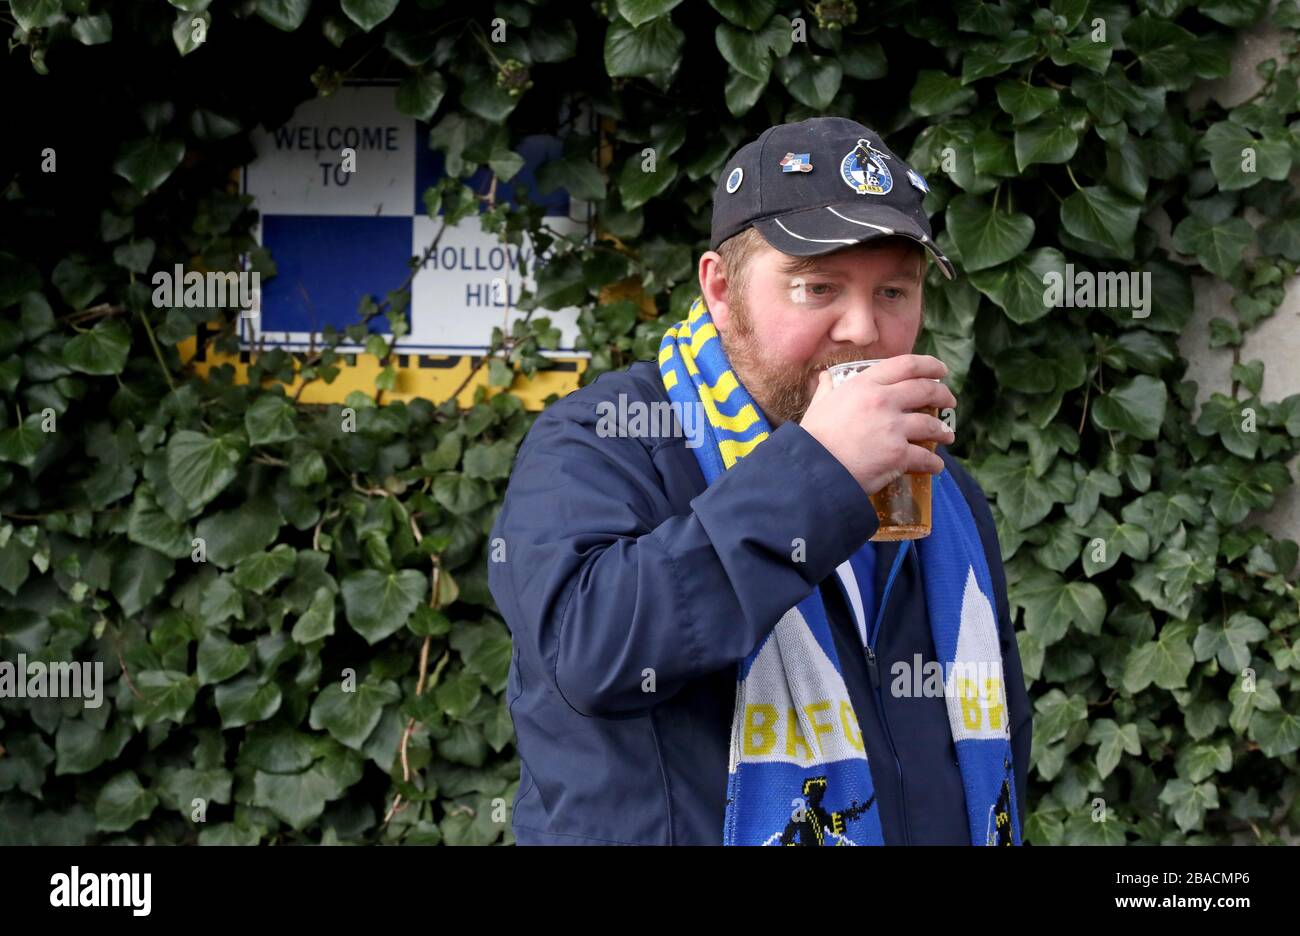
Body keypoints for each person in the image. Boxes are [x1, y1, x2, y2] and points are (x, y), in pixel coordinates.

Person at [487, 116, 1031, 846]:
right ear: (721, 289)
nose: (863, 330)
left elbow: (1002, 737)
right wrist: (818, 477)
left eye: (895, 293)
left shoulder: (944, 489)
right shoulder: (603, 441)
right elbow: (589, 656)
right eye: (818, 288)